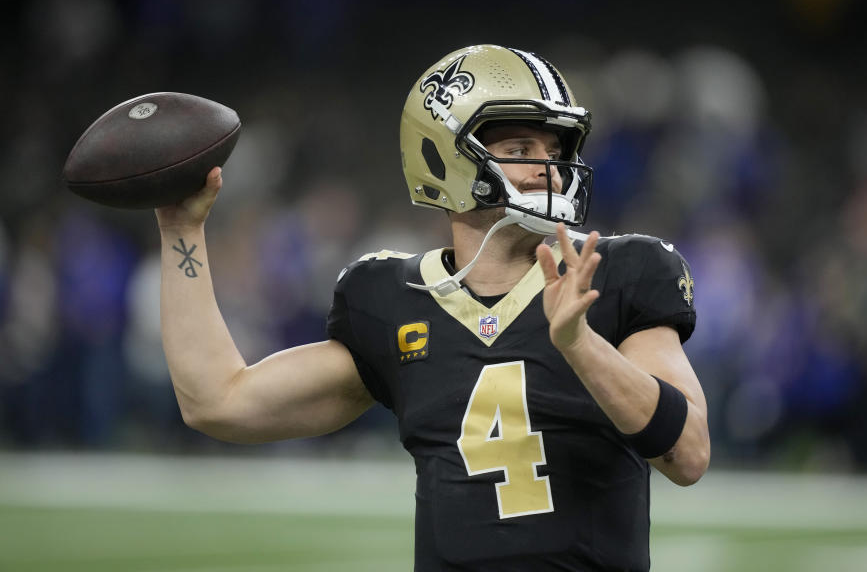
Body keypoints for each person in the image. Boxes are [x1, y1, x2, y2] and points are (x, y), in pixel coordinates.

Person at [156, 44, 710, 571]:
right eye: (520, 151)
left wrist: (582, 345)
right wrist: (182, 229)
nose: (549, 168)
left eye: (555, 151)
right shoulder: (393, 300)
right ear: (442, 158)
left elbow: (688, 455)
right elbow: (218, 402)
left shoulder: (620, 274)